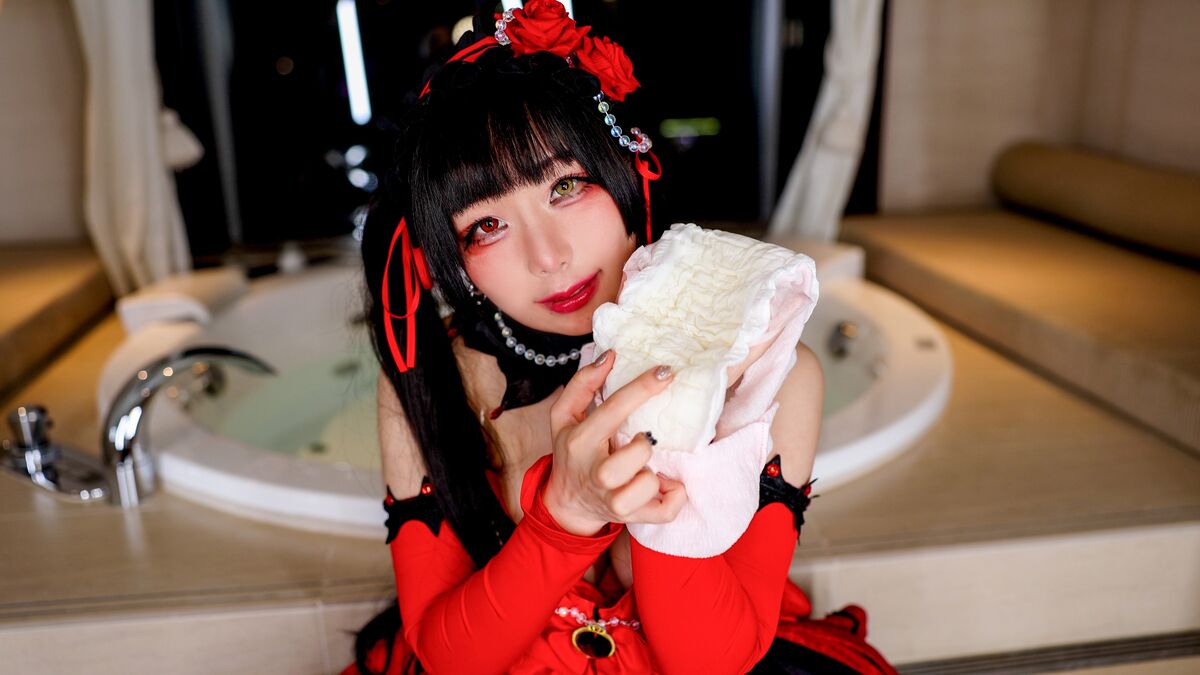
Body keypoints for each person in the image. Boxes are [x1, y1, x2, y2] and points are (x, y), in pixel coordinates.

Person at [343, 3, 898, 673]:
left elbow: (713, 664)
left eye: (566, 186)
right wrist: (564, 516)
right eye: (486, 226)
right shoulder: (435, 371)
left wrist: (682, 429)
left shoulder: (767, 366)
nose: (549, 257)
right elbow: (447, 656)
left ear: (629, 169)